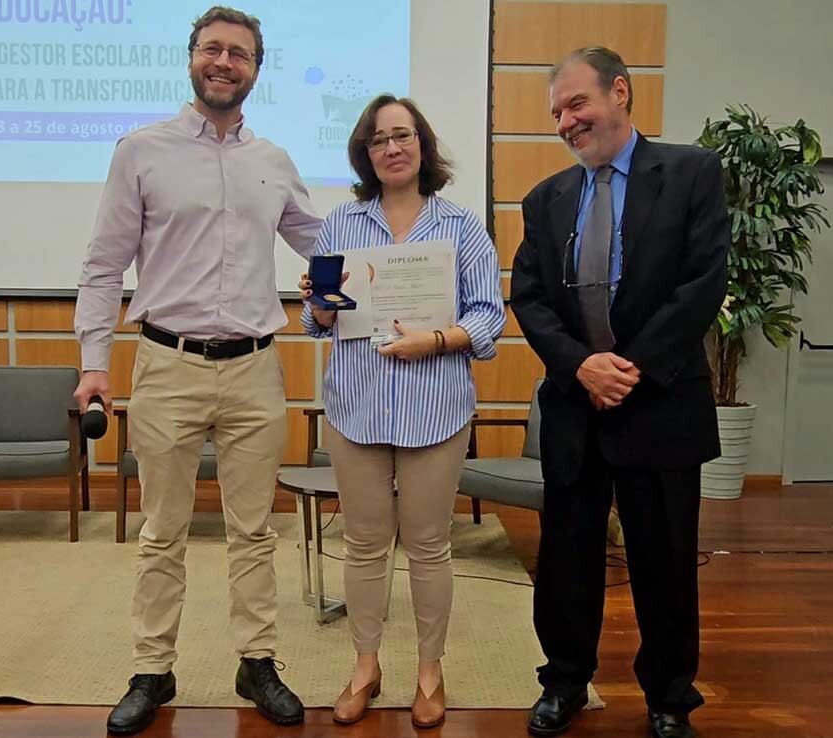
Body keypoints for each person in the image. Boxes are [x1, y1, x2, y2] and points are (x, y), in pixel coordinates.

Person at [73, 6, 322, 735]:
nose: (224, 62)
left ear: (255, 69)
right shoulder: (141, 151)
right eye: (212, 49)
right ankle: (152, 668)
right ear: (191, 59)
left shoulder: (272, 161)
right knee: (162, 529)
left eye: (238, 53)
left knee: (254, 531)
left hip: (255, 369)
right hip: (167, 363)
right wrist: (94, 365)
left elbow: (323, 244)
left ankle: (258, 660)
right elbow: (102, 264)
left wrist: (398, 249)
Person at [510, 47, 729, 738]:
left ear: (621, 93)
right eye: (556, 114)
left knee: (664, 562)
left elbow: (703, 284)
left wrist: (625, 367)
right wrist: (583, 367)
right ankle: (565, 683)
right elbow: (532, 297)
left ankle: (668, 699)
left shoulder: (691, 172)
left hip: (660, 401)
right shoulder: (546, 199)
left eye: (577, 104)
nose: (567, 122)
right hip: (577, 409)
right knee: (567, 560)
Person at [299, 94, 505, 728]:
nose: (392, 147)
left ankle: (429, 671)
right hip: (355, 408)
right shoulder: (339, 224)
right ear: (365, 152)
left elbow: (488, 316)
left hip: (435, 408)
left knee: (428, 546)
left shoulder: (462, 226)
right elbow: (317, 321)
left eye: (403, 136)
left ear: (423, 146)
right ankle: (365, 666)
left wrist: (436, 341)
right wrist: (323, 303)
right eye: (379, 139)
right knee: (363, 546)